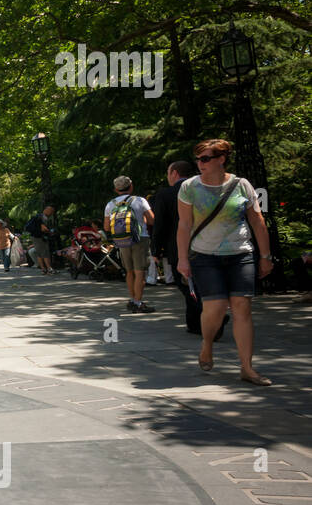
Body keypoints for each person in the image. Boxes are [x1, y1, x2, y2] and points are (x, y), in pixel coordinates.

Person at [175, 139, 274, 385]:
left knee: (242, 308)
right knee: (216, 308)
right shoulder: (189, 187)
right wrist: (182, 259)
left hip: (240, 254)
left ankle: (247, 368)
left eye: (206, 158)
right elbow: (184, 225)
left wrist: (265, 256)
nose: (200, 164)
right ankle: (207, 344)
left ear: (221, 159)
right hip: (204, 256)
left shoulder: (242, 185)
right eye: (198, 159)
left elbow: (257, 221)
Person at [151, 160, 220, 339]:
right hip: (207, 244)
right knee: (195, 284)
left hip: (178, 247)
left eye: (168, 172)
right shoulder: (204, 189)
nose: (167, 177)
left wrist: (155, 250)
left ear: (174, 173)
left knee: (185, 285)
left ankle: (213, 317)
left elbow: (160, 224)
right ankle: (194, 323)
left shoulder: (166, 194)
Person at [104, 176, 156, 313]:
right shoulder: (140, 200)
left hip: (122, 240)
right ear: (131, 186)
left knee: (129, 271)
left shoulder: (111, 204)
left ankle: (133, 299)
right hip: (140, 238)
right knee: (140, 272)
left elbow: (107, 227)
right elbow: (152, 220)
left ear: (116, 189)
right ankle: (138, 303)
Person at [25, 206, 57, 274]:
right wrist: (50, 232)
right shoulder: (42, 217)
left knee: (40, 253)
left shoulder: (38, 216)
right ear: (46, 210)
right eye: (50, 211)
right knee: (45, 253)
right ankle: (49, 268)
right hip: (39, 237)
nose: (51, 213)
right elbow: (43, 229)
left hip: (35, 236)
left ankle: (43, 269)